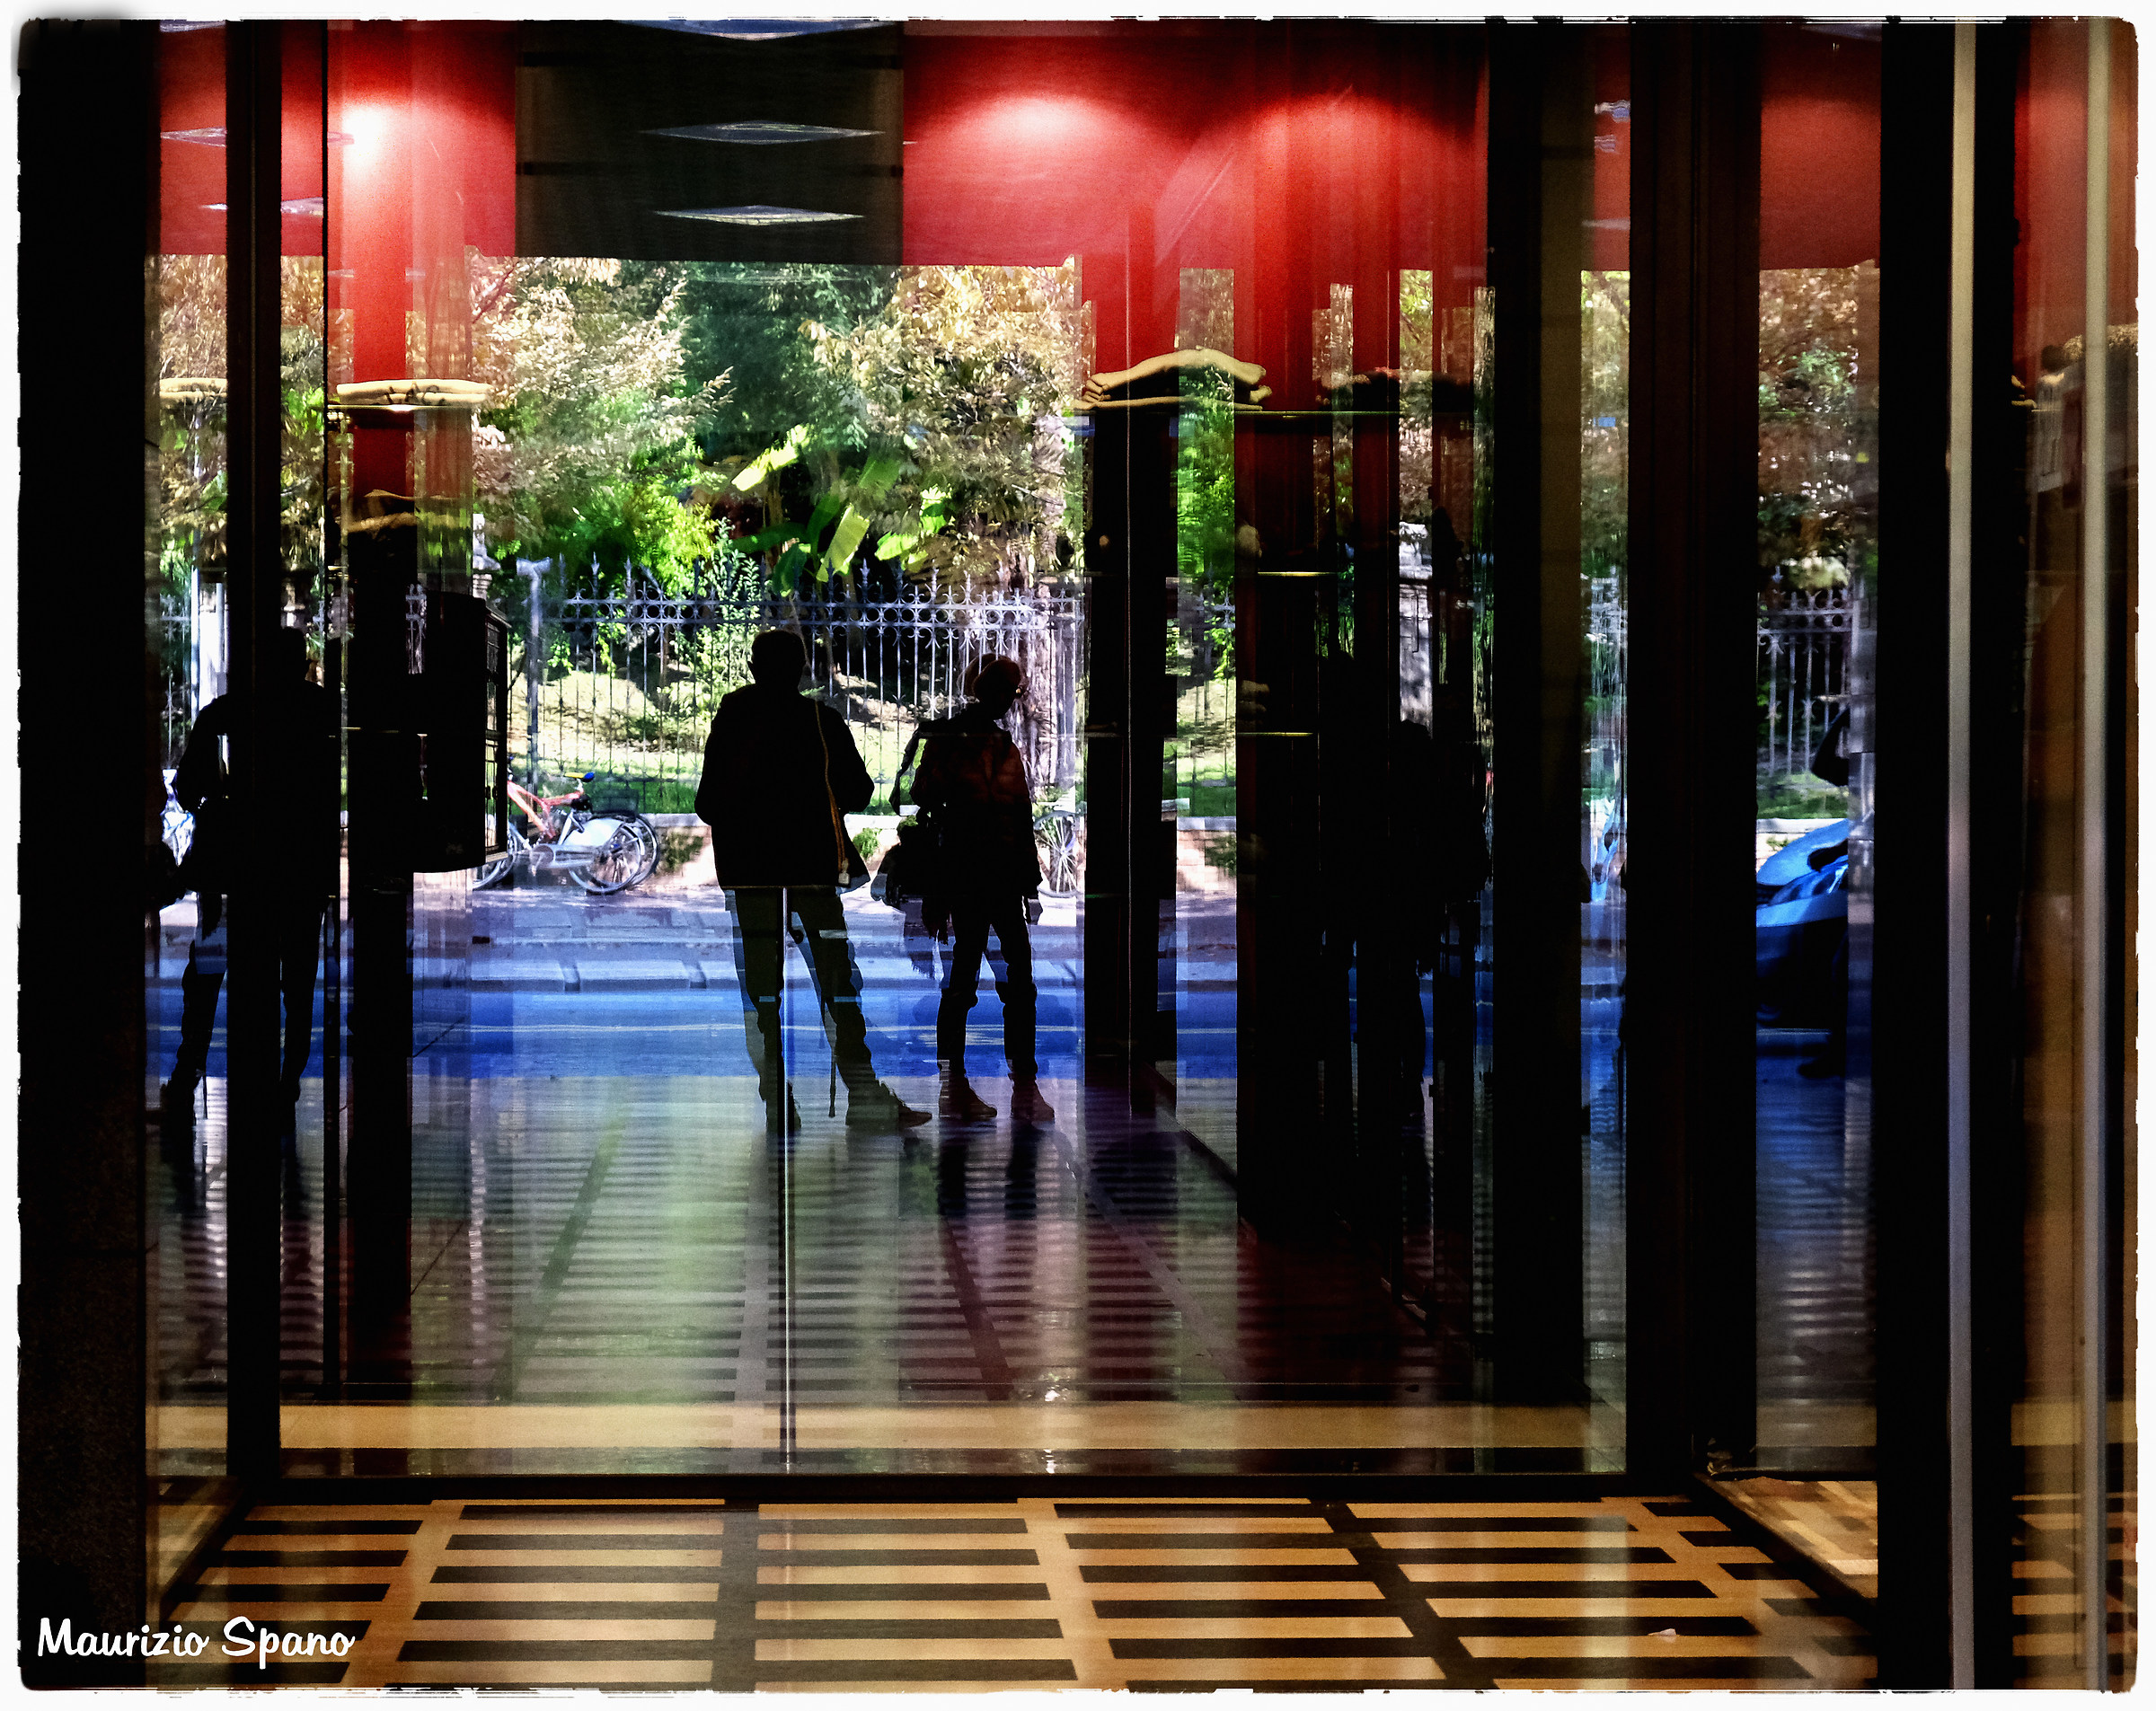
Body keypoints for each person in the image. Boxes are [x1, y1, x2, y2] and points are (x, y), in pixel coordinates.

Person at [697, 629, 928, 1133]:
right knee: (837, 985)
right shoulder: (821, 721)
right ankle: (863, 1095)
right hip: (812, 875)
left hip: (752, 878)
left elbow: (707, 803)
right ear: (803, 670)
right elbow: (858, 792)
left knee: (762, 994)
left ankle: (777, 1103)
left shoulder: (733, 717)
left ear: (753, 668)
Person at [162, 625, 340, 1128]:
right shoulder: (321, 710)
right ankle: (286, 1083)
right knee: (298, 981)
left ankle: (188, 1071)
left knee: (208, 973)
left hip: (232, 867)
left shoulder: (227, 711)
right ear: (302, 664)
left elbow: (187, 789)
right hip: (301, 866)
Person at [911, 655, 1053, 1125]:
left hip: (969, 876)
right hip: (989, 878)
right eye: (1009, 693)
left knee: (965, 983)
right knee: (1011, 984)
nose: (1010, 702)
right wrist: (1029, 885)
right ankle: (1018, 1085)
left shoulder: (959, 738)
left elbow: (926, 796)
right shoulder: (990, 743)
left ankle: (958, 1087)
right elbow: (1017, 817)